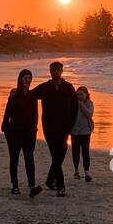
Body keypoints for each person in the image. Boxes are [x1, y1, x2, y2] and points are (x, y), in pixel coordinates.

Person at [30, 61, 78, 195]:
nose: (55, 72)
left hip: (65, 127)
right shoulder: (45, 87)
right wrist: (16, 91)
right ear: (50, 71)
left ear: (62, 71)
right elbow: (29, 95)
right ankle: (61, 186)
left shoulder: (68, 87)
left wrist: (71, 125)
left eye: (57, 70)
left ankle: (50, 180)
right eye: (52, 70)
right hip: (49, 128)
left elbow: (75, 107)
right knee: (55, 155)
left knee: (59, 156)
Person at [1, 68, 42, 198]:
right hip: (14, 132)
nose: (28, 80)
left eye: (29, 78)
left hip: (29, 133)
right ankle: (15, 185)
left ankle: (32, 186)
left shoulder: (32, 96)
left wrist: (35, 129)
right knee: (14, 158)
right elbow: (7, 113)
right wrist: (5, 127)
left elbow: (36, 115)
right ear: (20, 79)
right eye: (25, 78)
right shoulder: (14, 96)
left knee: (29, 158)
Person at [71, 85, 94, 182]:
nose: (79, 96)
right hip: (74, 131)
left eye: (81, 94)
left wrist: (81, 105)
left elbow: (89, 114)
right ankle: (76, 170)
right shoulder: (73, 103)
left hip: (85, 131)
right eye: (78, 94)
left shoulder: (89, 103)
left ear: (86, 95)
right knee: (75, 152)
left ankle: (87, 172)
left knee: (85, 152)